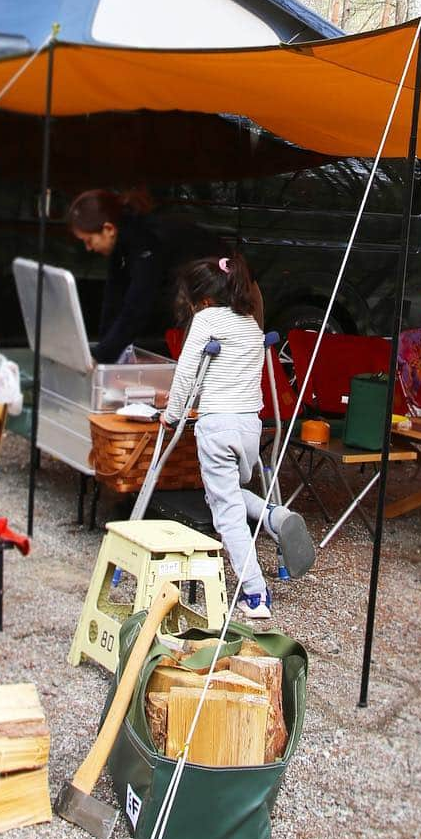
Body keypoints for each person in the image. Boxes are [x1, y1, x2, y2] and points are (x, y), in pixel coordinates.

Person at [161, 253, 313, 622]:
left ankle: (255, 593)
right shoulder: (251, 325)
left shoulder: (206, 320)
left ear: (205, 300)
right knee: (227, 491)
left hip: (217, 424)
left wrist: (172, 414)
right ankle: (275, 516)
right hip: (250, 426)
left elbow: (185, 374)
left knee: (225, 512)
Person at [68, 188, 260, 364]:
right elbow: (113, 299)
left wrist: (102, 356)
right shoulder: (124, 243)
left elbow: (137, 307)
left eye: (89, 240)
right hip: (203, 301)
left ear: (108, 229)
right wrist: (102, 351)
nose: (88, 248)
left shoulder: (147, 240)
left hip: (237, 295)